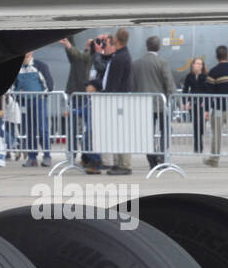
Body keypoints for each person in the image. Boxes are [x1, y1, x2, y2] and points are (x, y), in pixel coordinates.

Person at [85, 28, 134, 175]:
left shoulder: (120, 58)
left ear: (117, 41)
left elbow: (114, 82)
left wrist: (106, 95)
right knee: (118, 134)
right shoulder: (121, 56)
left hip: (116, 100)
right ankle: (120, 164)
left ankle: (124, 165)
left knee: (121, 134)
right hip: (116, 99)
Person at [132, 35, 175, 168]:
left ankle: (151, 159)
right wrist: (173, 97)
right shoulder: (162, 63)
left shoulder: (136, 63)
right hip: (161, 104)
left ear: (147, 46)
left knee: (148, 134)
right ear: (159, 47)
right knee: (166, 130)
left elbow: (133, 85)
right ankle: (161, 155)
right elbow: (169, 84)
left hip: (144, 105)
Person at [204, 45, 228, 167]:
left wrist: (206, 109)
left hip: (219, 109)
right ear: (227, 55)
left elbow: (209, 93)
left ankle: (214, 159)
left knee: (216, 134)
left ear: (217, 56)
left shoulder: (213, 71)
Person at [13, 52, 54, 166]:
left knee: (42, 129)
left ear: (32, 52)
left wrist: (42, 96)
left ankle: (47, 156)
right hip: (25, 103)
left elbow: (49, 85)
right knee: (29, 130)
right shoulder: (17, 68)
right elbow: (13, 87)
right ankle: (32, 157)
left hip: (39, 101)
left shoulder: (40, 66)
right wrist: (18, 98)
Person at [61, 36, 95, 167]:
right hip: (75, 94)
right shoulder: (79, 58)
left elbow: (77, 54)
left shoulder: (89, 59)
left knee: (85, 128)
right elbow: (74, 54)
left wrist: (69, 45)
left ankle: (86, 156)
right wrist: (69, 41)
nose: (87, 45)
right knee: (73, 128)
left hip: (83, 96)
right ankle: (72, 155)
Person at [181, 57, 210, 154]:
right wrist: (186, 102)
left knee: (201, 124)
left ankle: (200, 142)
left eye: (200, 64)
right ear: (193, 65)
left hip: (202, 103)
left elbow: (208, 91)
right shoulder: (189, 76)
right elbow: (185, 89)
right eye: (196, 63)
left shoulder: (205, 76)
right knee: (195, 124)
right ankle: (197, 147)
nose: (198, 65)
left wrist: (206, 103)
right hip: (193, 103)